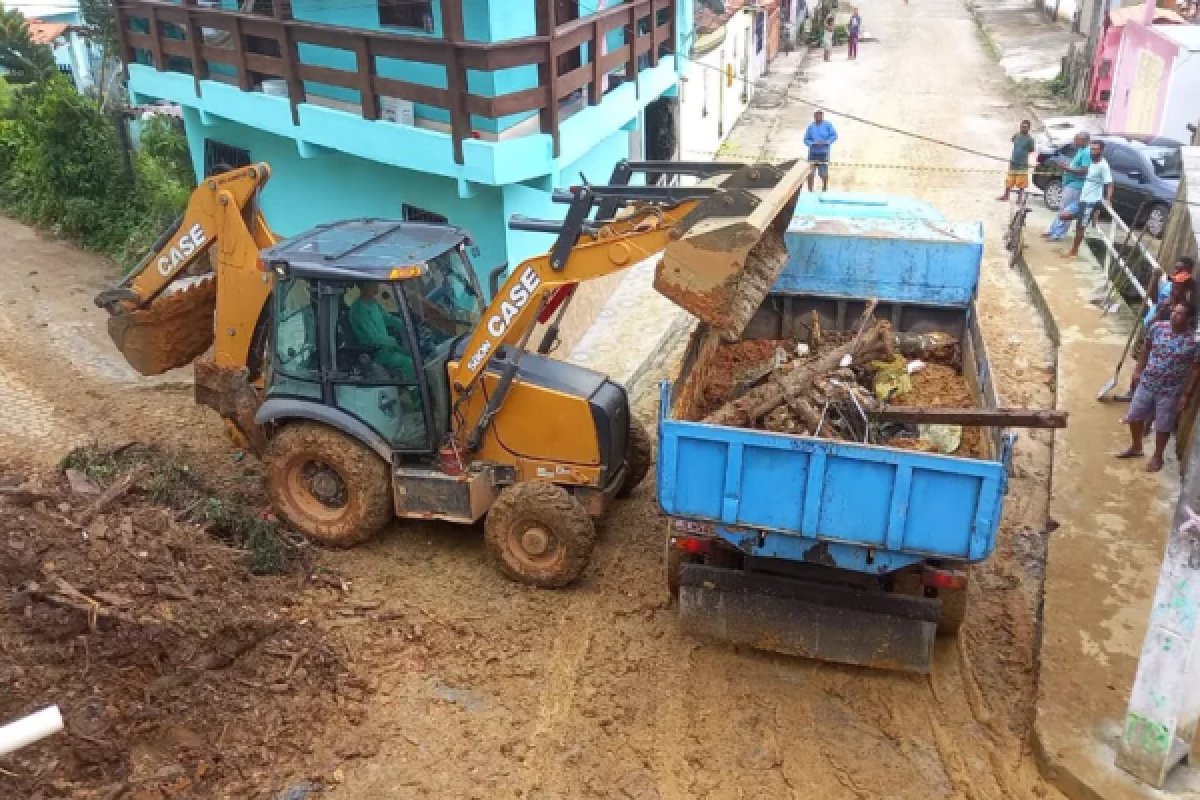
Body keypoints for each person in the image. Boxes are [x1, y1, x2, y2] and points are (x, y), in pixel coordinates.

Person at [1117, 302, 1200, 472]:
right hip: (1147, 382)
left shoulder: (1193, 342)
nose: (1174, 315)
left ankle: (1157, 456)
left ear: (1189, 319)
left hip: (1170, 390)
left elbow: (1195, 369)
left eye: (1180, 314)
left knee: (1163, 425)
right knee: (1134, 416)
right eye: (1174, 311)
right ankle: (1136, 446)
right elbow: (1146, 349)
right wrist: (1137, 371)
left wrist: (1186, 394)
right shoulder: (1158, 328)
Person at [347, 283, 416, 379]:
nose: (377, 285)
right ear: (366, 285)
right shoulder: (359, 309)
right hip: (376, 353)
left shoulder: (373, 303)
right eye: (374, 283)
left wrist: (407, 324)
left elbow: (388, 318)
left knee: (416, 355)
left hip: (387, 348)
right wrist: (393, 342)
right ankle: (414, 392)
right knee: (409, 363)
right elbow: (373, 338)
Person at [1065, 139, 1114, 258]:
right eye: (1091, 149)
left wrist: (1108, 199)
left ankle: (1074, 251)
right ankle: (1092, 214)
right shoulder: (1091, 161)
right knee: (1063, 215)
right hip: (1083, 198)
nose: (1092, 151)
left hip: (1090, 201)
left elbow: (1110, 184)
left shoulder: (1103, 165)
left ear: (1101, 150)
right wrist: (1068, 169)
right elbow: (1084, 171)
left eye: (1095, 149)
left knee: (1080, 227)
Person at [1042, 131, 1090, 241]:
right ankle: (1053, 231)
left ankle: (1058, 234)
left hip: (1076, 185)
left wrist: (1067, 168)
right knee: (1062, 208)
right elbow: (1076, 166)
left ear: (1084, 140)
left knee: (1066, 211)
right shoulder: (1081, 150)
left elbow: (1084, 170)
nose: (1074, 142)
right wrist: (1067, 166)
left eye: (1076, 139)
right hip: (1069, 182)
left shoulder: (1087, 152)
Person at [997, 120, 1035, 203]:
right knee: (1009, 180)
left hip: (1022, 164)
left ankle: (1019, 199)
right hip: (1013, 162)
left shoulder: (1030, 140)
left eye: (1025, 127)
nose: (1022, 128)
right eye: (1021, 126)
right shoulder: (1016, 136)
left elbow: (1031, 150)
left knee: (1021, 183)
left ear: (1029, 128)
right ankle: (1006, 196)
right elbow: (1013, 141)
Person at [804, 109, 838, 192]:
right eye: (817, 115)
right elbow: (805, 140)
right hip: (813, 153)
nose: (819, 117)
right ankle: (810, 190)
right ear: (814, 116)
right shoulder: (810, 127)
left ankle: (824, 188)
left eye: (820, 115)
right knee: (810, 173)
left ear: (822, 116)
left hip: (823, 153)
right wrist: (812, 143)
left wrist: (826, 142)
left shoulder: (828, 125)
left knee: (823, 173)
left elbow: (834, 136)